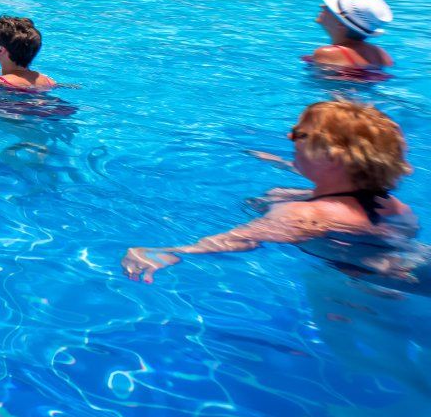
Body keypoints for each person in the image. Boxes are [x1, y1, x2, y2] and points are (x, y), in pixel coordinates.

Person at [123, 99, 416, 282]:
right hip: (392, 270)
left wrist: (168, 251)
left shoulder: (303, 214)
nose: (290, 137)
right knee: (277, 194)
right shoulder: (399, 209)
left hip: (356, 297)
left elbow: (241, 239)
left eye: (299, 135)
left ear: (331, 157)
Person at [306, 0, 393, 77]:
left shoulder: (326, 53)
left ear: (340, 24)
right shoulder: (382, 55)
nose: (322, 6)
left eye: (330, 8)